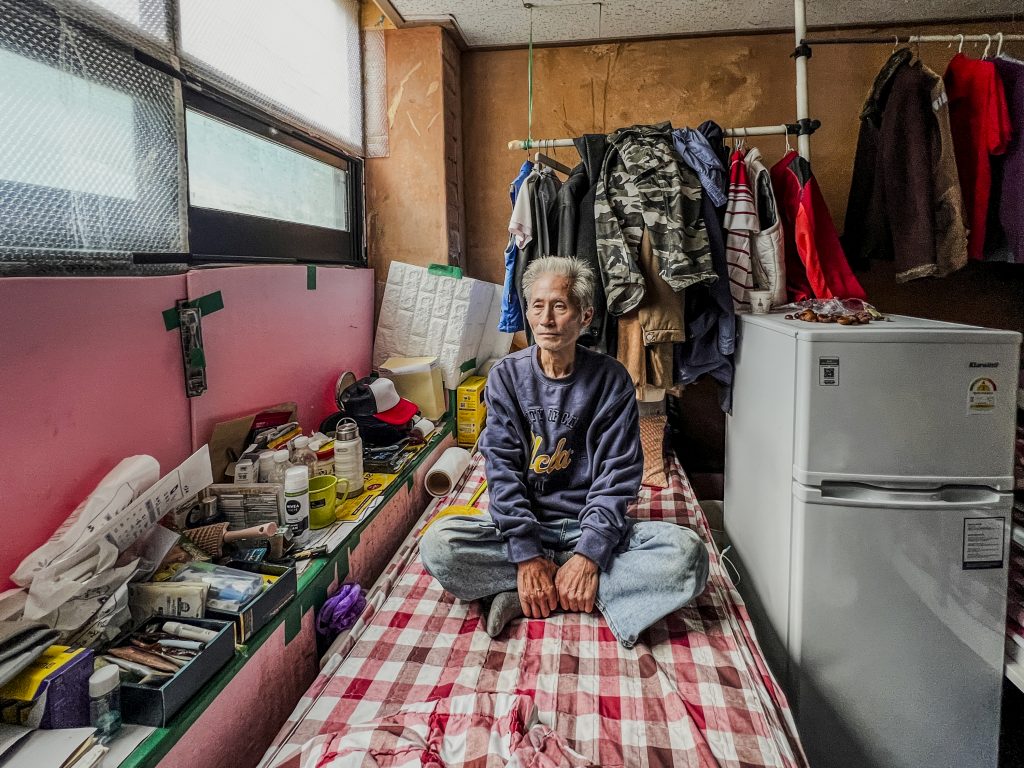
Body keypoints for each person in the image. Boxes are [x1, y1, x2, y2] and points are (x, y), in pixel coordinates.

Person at [420, 256, 709, 647]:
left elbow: (618, 476)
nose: (547, 319)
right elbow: (501, 470)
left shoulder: (611, 380)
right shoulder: (506, 377)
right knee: (439, 545)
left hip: (589, 526)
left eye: (559, 306)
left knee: (687, 557)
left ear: (585, 316)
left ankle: (531, 592)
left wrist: (589, 555)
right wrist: (524, 555)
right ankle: (566, 586)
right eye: (537, 306)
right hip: (527, 524)